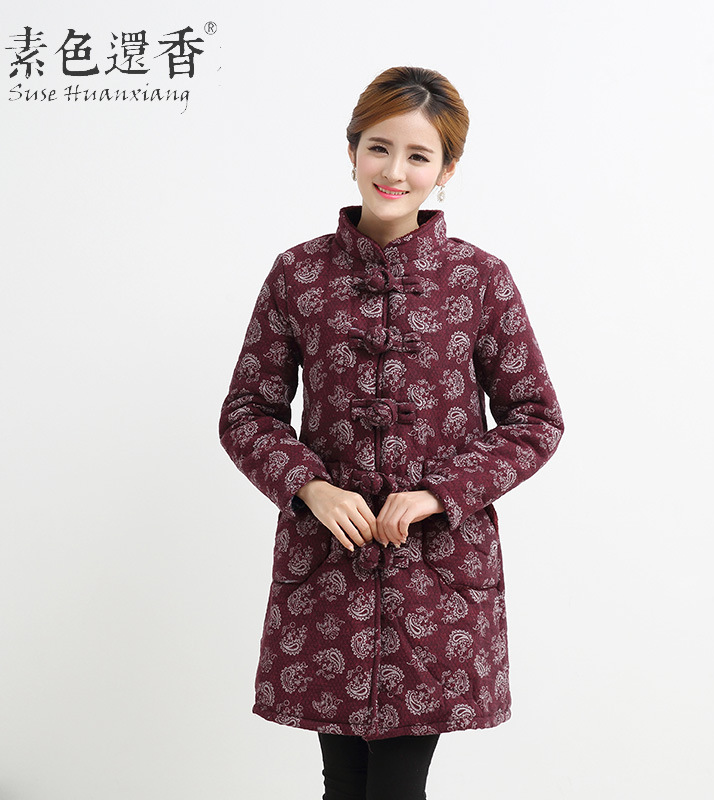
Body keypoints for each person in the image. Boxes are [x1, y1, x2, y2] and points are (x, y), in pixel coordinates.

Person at [219, 66, 564, 800]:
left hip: (437, 579)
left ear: (446, 170)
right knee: (342, 786)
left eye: (419, 155)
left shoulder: (479, 279)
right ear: (352, 151)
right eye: (379, 148)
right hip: (328, 567)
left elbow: (536, 418)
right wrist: (310, 487)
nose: (395, 171)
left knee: (398, 789)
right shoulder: (298, 274)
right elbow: (247, 410)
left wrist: (441, 492)